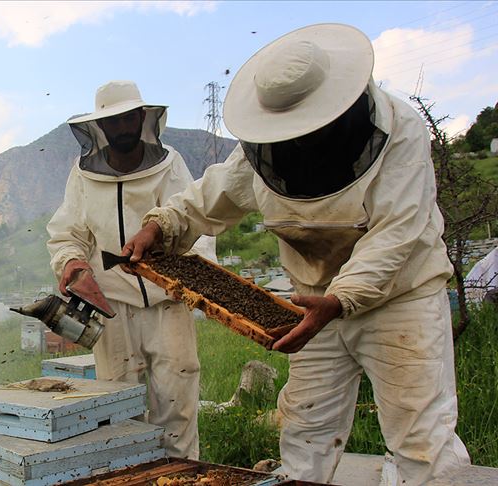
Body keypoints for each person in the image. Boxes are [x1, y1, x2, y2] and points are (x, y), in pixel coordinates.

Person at [123, 24, 470, 484]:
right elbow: (209, 196)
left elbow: (395, 233)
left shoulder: (400, 131)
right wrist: (160, 224)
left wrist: (341, 299)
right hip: (309, 303)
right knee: (306, 425)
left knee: (420, 437)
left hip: (400, 299)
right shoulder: (265, 150)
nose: (300, 143)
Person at [47, 80, 215, 459]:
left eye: (128, 119)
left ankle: (180, 476)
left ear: (143, 118)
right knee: (118, 405)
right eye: (113, 122)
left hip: (166, 302)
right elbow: (67, 232)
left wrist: (194, 279)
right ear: (100, 128)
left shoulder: (170, 164)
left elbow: (194, 223)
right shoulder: (82, 173)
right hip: (110, 306)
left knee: (178, 401)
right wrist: (72, 263)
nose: (122, 128)